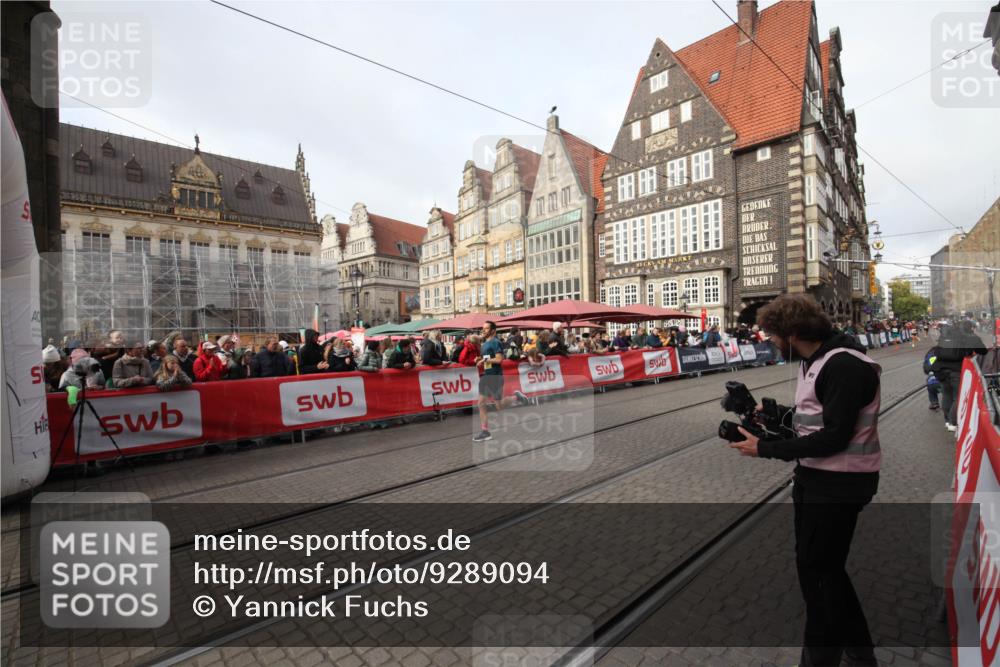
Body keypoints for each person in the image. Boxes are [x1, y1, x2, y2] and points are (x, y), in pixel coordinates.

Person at [728, 294, 880, 667]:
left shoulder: (843, 365)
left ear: (793, 333)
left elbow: (835, 436)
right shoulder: (818, 360)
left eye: (773, 336)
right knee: (824, 569)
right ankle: (860, 649)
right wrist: (777, 413)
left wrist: (764, 449)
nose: (771, 343)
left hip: (838, 484)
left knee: (818, 577)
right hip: (818, 479)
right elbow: (817, 416)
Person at [472, 321, 529, 442]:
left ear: (493, 330)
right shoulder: (485, 343)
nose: (484, 330)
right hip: (487, 376)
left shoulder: (496, 342)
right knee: (481, 403)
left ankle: (516, 398)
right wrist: (480, 359)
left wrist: (483, 362)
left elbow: (499, 359)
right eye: (483, 328)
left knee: (498, 405)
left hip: (495, 376)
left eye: (486, 329)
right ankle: (485, 431)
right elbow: (488, 358)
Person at [931, 321, 987, 431]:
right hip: (956, 370)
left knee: (946, 394)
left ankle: (947, 421)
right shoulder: (971, 337)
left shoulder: (949, 335)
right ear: (971, 328)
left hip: (940, 369)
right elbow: (983, 351)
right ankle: (953, 422)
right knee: (959, 396)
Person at [923, 347, 941, 411]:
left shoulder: (929, 356)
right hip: (943, 381)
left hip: (932, 383)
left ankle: (934, 403)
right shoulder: (945, 354)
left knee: (929, 383)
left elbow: (926, 370)